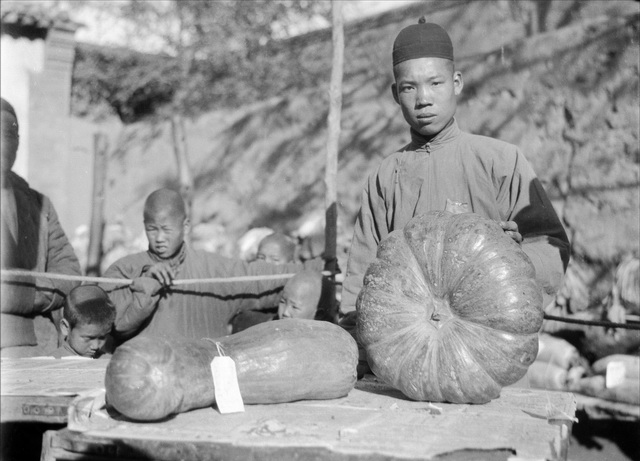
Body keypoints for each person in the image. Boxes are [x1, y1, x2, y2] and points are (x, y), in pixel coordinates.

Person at [340, 19, 570, 351]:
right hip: (407, 353)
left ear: (456, 82)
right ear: (395, 93)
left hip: (491, 349)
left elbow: (553, 249)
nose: (423, 99)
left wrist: (512, 258)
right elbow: (363, 276)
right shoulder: (385, 176)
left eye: (435, 83)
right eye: (409, 87)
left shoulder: (500, 160)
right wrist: (358, 346)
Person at [102, 188, 321, 343]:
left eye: (166, 230)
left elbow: (257, 278)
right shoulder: (125, 269)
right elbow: (113, 325)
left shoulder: (213, 268)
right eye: (152, 229)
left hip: (203, 372)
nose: (159, 238)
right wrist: (145, 284)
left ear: (185, 226)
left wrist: (314, 269)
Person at [1, 98, 82, 357]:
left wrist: (24, 297)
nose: (3, 143)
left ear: (18, 143)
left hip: (34, 343)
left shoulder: (38, 204)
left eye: (9, 134)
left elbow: (69, 273)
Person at [50, 285, 116, 358]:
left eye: (102, 337)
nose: (96, 346)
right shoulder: (48, 365)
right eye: (88, 338)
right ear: (65, 328)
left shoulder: (111, 361)